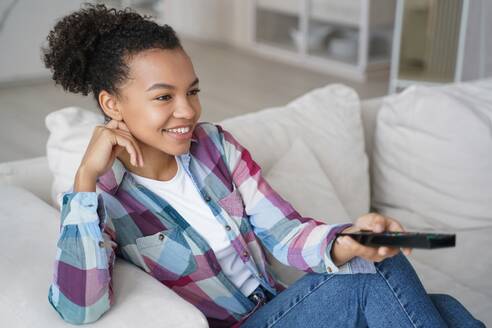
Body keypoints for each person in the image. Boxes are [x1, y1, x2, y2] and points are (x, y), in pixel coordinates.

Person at [42, 3, 485, 328]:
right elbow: (81, 307)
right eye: (164, 97)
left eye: (192, 91)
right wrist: (84, 183)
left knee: (438, 305)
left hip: (279, 308)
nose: (188, 110)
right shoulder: (102, 197)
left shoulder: (215, 146)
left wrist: (347, 243)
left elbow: (284, 231)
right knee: (377, 277)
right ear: (111, 104)